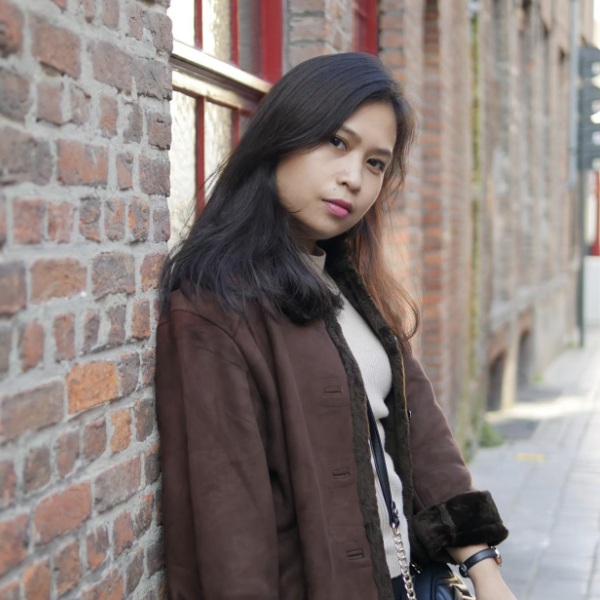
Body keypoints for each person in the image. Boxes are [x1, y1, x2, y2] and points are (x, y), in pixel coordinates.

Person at [155, 52, 516, 600]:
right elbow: (229, 529)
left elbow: (423, 436)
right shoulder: (216, 309)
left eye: (375, 163)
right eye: (336, 143)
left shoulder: (350, 285)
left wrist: (484, 568)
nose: (353, 178)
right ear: (280, 137)